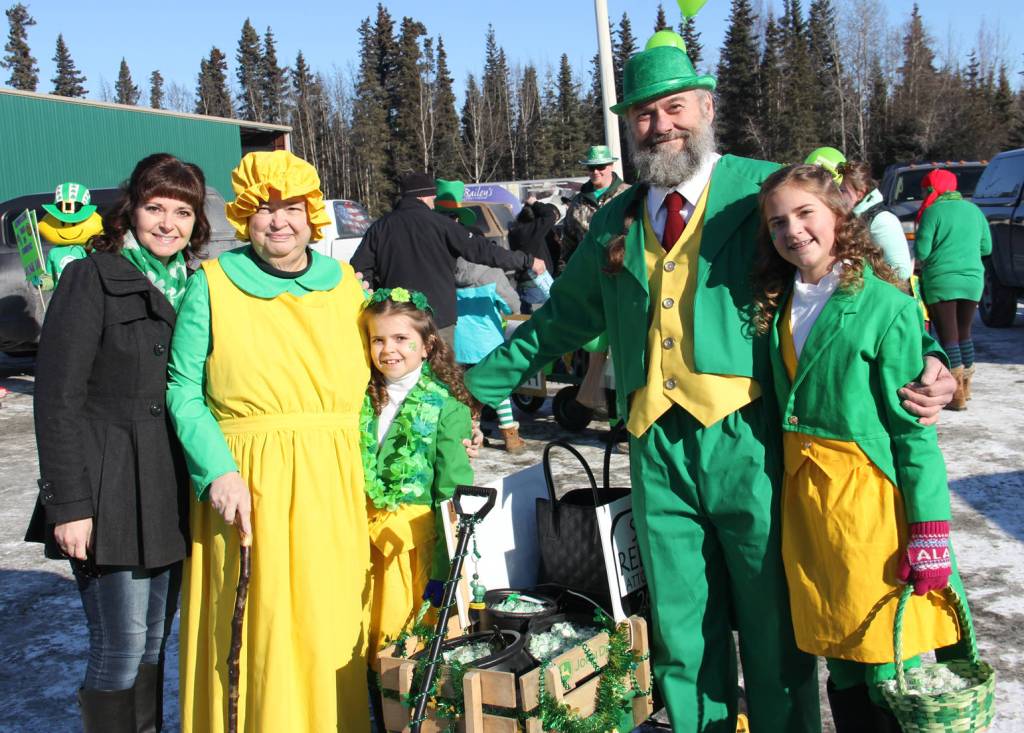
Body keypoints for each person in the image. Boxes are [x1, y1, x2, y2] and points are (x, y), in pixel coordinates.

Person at [462, 33, 956, 732]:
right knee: (681, 627)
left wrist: (929, 354)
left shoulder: (762, 191)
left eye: (674, 108)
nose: (661, 125)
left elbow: (854, 275)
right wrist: (473, 386)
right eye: (644, 114)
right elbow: (561, 320)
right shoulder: (617, 217)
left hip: (752, 440)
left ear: (706, 108)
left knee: (772, 625)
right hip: (655, 448)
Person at [754, 164, 970, 732]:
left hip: (868, 509)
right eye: (778, 222)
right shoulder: (781, 303)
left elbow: (913, 432)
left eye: (805, 213)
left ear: (838, 216)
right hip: (808, 507)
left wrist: (929, 530)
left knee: (884, 661)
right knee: (840, 657)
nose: (793, 230)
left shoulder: (884, 306)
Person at [166, 150, 372, 732]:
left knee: (330, 618)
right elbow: (182, 389)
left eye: (292, 208)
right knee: (263, 622)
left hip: (335, 478)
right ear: (243, 217)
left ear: (312, 217)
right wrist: (217, 470)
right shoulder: (211, 285)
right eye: (263, 209)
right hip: (250, 481)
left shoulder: (344, 286)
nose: (278, 221)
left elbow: (387, 374)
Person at [27, 153, 209, 731]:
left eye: (182, 212)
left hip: (167, 485)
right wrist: (69, 504)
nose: (168, 223)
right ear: (131, 211)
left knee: (155, 642)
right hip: (108, 485)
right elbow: (57, 399)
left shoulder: (195, 286)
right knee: (121, 644)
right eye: (155, 208)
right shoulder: (92, 277)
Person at [359, 287, 474, 656]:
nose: (388, 349)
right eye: (378, 340)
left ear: (427, 346)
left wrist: (445, 569)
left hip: (411, 550)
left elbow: (452, 495)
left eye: (401, 339)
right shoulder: (358, 400)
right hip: (360, 543)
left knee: (399, 644)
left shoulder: (447, 408)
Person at [350, 173, 547, 345]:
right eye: (433, 196)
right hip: (439, 319)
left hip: (398, 317)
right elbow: (483, 251)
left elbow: (358, 270)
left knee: (406, 373)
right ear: (424, 196)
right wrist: (527, 261)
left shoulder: (379, 227)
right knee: (441, 372)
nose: (434, 200)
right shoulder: (442, 224)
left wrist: (376, 299)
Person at [914, 168, 992, 410]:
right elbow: (987, 248)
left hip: (941, 281)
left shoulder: (932, 212)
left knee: (949, 336)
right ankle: (966, 387)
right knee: (964, 332)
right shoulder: (974, 210)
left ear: (931, 189)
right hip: (972, 281)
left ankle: (955, 394)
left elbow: (922, 251)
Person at [454, 271, 523, 452]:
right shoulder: (491, 273)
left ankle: (473, 435)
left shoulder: (447, 267)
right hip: (488, 344)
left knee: (467, 392)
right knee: (498, 388)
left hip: (459, 343)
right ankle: (511, 437)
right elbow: (512, 305)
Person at [837, 160, 913, 281]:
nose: (839, 196)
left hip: (885, 291)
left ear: (860, 194)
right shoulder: (856, 218)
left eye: (843, 191)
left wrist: (869, 283)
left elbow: (902, 272)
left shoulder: (882, 220)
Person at [509, 195, 560, 313]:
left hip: (527, 284)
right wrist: (535, 203)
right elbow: (550, 215)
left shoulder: (516, 231)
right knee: (543, 320)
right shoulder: (531, 231)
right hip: (537, 285)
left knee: (529, 320)